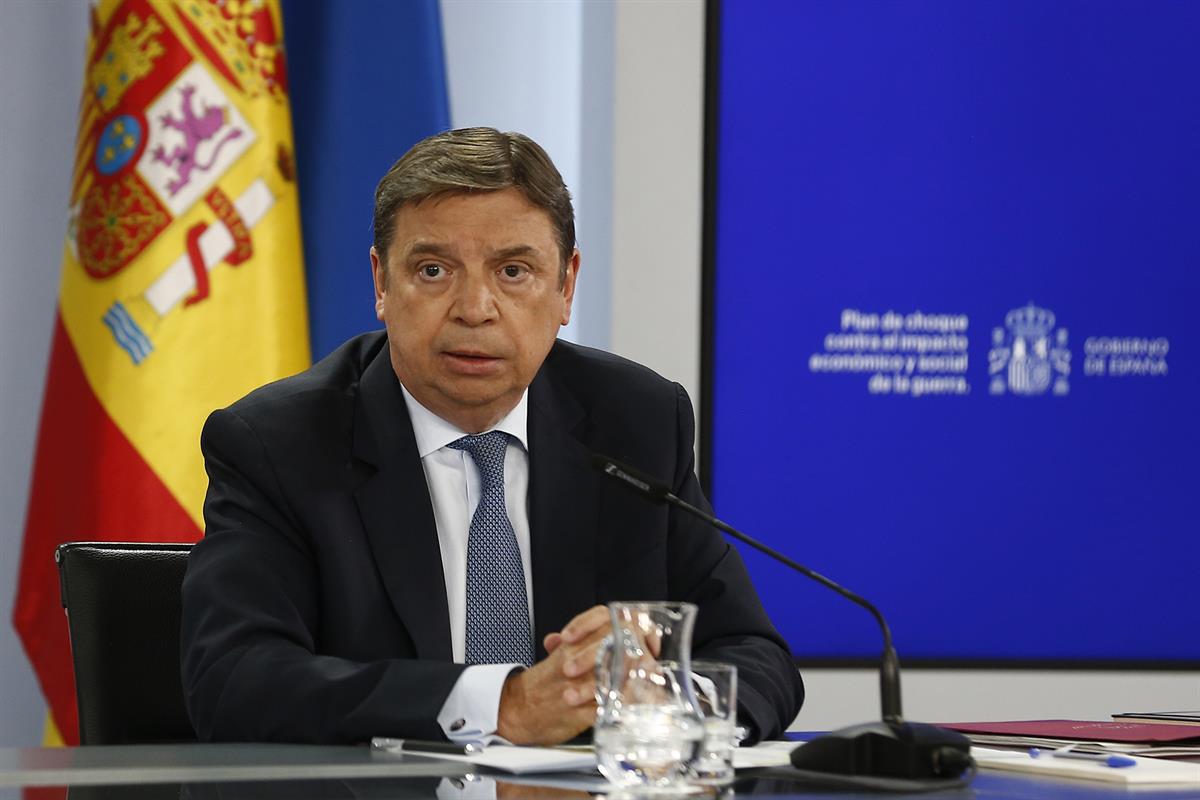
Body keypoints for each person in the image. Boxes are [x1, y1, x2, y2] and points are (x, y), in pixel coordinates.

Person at [180, 127, 804, 746]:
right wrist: (500, 705)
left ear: (566, 287)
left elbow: (755, 656)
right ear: (380, 284)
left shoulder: (635, 422)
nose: (474, 307)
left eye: (513, 270)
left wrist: (656, 698)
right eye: (432, 269)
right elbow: (234, 679)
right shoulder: (279, 443)